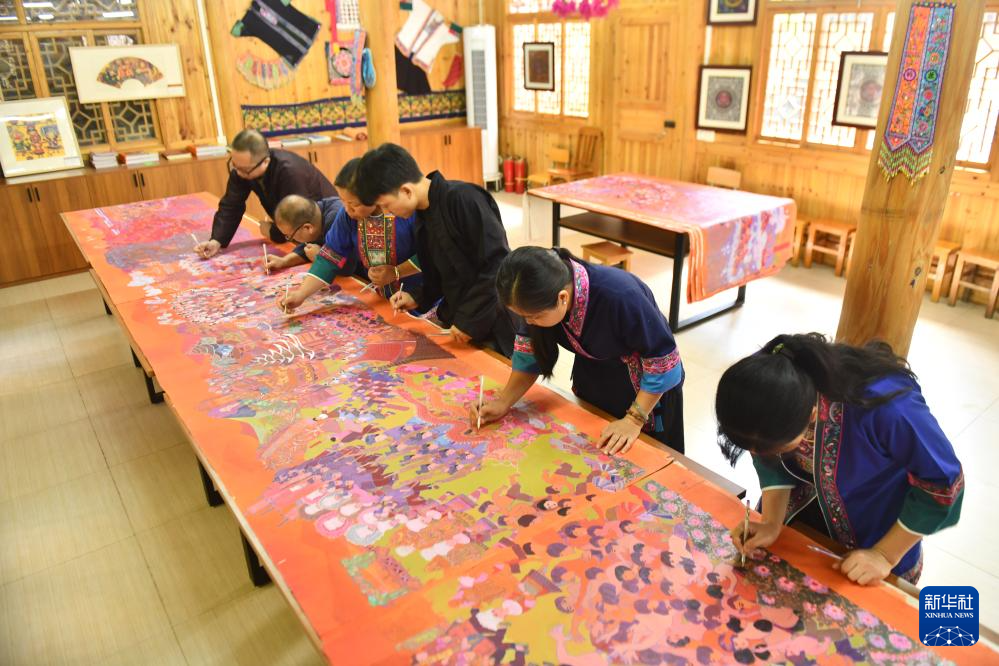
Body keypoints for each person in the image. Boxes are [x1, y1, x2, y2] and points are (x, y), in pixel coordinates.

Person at [716, 333, 964, 585]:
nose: (762, 454)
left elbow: (943, 483)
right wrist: (771, 522)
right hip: (800, 522)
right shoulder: (760, 386)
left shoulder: (888, 408)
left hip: (876, 537)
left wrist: (884, 555)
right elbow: (767, 457)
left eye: (778, 447)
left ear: (812, 415)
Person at [471, 247, 685, 455]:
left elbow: (662, 362)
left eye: (534, 317)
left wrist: (634, 420)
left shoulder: (620, 295)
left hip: (648, 393)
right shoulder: (540, 295)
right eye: (523, 316)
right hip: (595, 378)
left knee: (648, 459)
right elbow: (529, 355)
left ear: (562, 298)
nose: (528, 322)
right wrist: (503, 402)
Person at [352, 142, 514, 355]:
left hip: (493, 319)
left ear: (406, 191)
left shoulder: (465, 199)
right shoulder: (422, 216)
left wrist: (468, 320)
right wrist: (416, 297)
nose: (387, 212)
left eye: (386, 205)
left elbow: (499, 267)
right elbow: (440, 277)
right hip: (459, 321)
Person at [280, 159, 421, 312]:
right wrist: (300, 295)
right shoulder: (348, 216)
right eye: (343, 201)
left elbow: (432, 254)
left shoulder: (406, 211)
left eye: (354, 204)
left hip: (420, 297)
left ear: (375, 196)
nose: (347, 209)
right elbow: (330, 257)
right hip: (384, 299)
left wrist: (396, 272)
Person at [194, 128, 335, 258]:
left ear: (265, 161)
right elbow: (232, 204)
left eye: (244, 169)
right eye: (234, 165)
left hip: (325, 228)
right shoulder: (243, 169)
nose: (238, 173)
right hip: (296, 232)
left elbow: (297, 218)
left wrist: (272, 232)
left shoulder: (290, 172)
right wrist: (216, 240)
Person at [267, 194, 343, 272]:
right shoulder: (314, 215)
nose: (291, 239)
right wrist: (283, 261)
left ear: (307, 228)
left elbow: (346, 267)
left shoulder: (336, 222)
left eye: (290, 236)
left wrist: (320, 257)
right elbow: (308, 247)